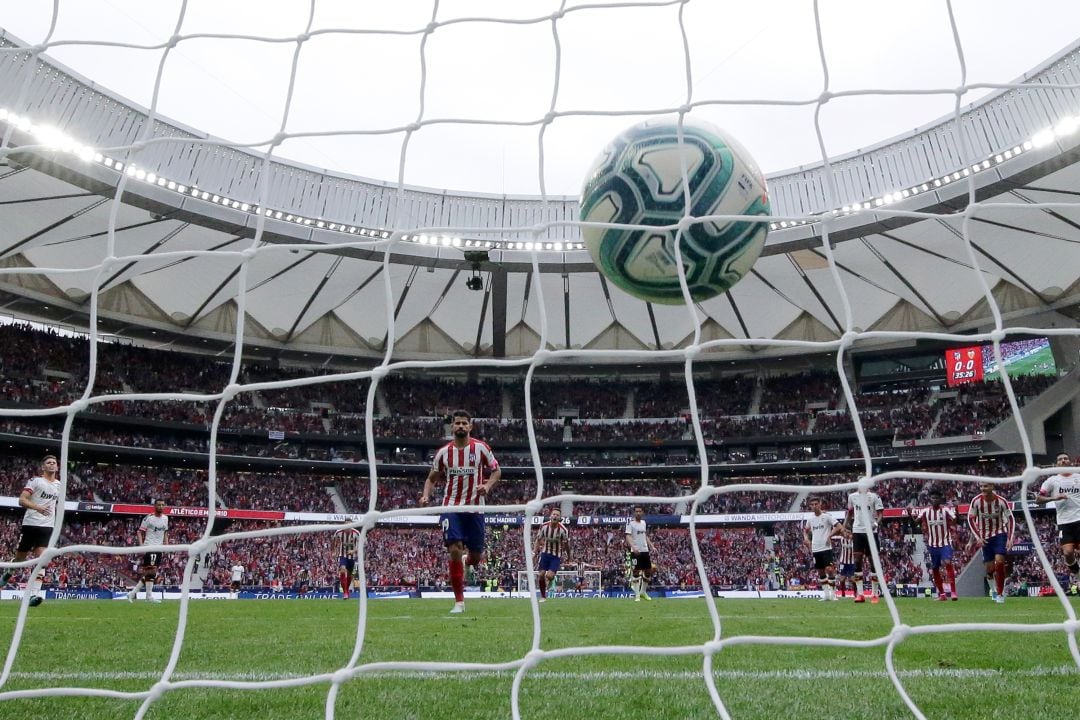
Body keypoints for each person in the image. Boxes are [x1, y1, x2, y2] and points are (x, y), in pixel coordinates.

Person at [420, 409, 501, 614]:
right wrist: (426, 496)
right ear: (452, 426)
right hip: (451, 507)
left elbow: (497, 470)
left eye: (465, 423)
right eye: (458, 423)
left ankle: (468, 562)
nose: (461, 426)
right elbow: (431, 478)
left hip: (475, 508)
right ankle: (459, 602)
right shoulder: (444, 453)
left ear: (470, 426)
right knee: (454, 548)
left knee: (475, 558)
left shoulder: (481, 448)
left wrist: (487, 486)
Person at [1, 455, 62, 608]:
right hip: (30, 524)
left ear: (57, 467)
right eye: (48, 462)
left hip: (47, 527)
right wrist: (38, 508)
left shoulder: (59, 485)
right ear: (43, 467)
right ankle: (9, 572)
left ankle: (34, 594)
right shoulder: (35, 481)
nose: (52, 464)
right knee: (20, 559)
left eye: (54, 462)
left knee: (42, 560)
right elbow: (22, 500)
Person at [1035, 452, 1080, 583]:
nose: (1063, 461)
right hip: (1064, 522)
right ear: (1057, 464)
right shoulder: (1052, 481)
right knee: (1068, 553)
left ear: (1070, 462)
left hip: (1079, 518)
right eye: (1060, 459)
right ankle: (1078, 576)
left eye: (1066, 458)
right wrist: (1054, 497)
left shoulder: (1078, 477)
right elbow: (1038, 499)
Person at [967, 482, 1015, 604]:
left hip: (1000, 534)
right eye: (981, 486)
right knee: (989, 570)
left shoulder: (1001, 501)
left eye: (986, 486)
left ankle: (1000, 593)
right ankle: (993, 590)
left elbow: (1010, 519)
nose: (983, 488)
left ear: (992, 487)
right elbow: (971, 519)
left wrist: (1010, 538)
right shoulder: (976, 501)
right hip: (984, 537)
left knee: (999, 561)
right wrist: (976, 538)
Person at [908, 489, 959, 601]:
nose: (934, 500)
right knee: (935, 568)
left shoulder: (945, 510)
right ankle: (942, 595)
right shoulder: (926, 511)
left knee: (947, 562)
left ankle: (954, 592)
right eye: (932, 498)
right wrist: (909, 513)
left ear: (940, 499)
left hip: (945, 542)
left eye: (936, 498)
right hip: (932, 544)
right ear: (930, 499)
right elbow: (915, 523)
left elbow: (955, 521)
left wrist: (957, 509)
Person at [845, 486, 884, 603]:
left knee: (873, 562)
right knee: (857, 562)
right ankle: (860, 594)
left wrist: (876, 524)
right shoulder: (852, 497)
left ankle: (874, 594)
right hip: (857, 531)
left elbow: (880, 513)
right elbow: (850, 513)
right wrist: (845, 525)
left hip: (871, 532)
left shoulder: (874, 497)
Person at [127, 499, 168, 603]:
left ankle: (134, 594)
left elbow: (165, 532)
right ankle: (147, 596)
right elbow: (139, 532)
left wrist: (167, 546)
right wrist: (141, 546)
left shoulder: (165, 518)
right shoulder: (148, 518)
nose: (161, 507)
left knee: (151, 573)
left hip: (159, 548)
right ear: (155, 506)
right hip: (150, 547)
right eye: (159, 505)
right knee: (151, 572)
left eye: (163, 505)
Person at [802, 496, 842, 601]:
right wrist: (806, 539)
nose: (814, 506)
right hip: (815, 548)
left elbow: (838, 526)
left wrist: (830, 535)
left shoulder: (827, 517)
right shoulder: (810, 519)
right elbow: (805, 531)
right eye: (812, 505)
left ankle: (833, 594)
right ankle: (826, 595)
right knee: (820, 572)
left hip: (826, 548)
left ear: (820, 504)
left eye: (816, 504)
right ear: (810, 506)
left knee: (829, 569)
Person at [534, 507, 571, 602]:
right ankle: (543, 596)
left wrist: (569, 557)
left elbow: (566, 545)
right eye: (553, 514)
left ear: (560, 518)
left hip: (556, 556)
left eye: (557, 515)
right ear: (550, 516)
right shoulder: (544, 526)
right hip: (545, 554)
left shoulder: (563, 530)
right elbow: (538, 540)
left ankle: (549, 581)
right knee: (541, 574)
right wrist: (534, 552)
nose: (555, 516)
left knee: (549, 576)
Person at [625, 505, 654, 602]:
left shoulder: (643, 523)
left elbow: (644, 535)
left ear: (642, 513)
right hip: (636, 551)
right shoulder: (630, 523)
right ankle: (637, 595)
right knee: (636, 572)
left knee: (648, 571)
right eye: (636, 511)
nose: (638, 513)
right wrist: (633, 547)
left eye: (639, 511)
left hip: (645, 550)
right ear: (634, 513)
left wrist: (651, 546)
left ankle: (643, 592)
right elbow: (628, 536)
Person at [332, 521, 361, 599]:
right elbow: (333, 540)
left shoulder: (356, 533)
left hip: (352, 557)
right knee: (342, 570)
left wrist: (353, 551)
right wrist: (333, 551)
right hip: (343, 555)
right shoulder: (339, 532)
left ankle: (347, 590)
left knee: (350, 575)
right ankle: (345, 592)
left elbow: (360, 545)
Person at [834, 526, 855, 598]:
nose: (847, 534)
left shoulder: (853, 540)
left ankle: (856, 594)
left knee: (852, 579)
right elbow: (839, 531)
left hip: (851, 562)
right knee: (842, 579)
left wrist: (849, 533)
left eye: (849, 533)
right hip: (843, 562)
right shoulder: (842, 539)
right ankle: (843, 594)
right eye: (846, 532)